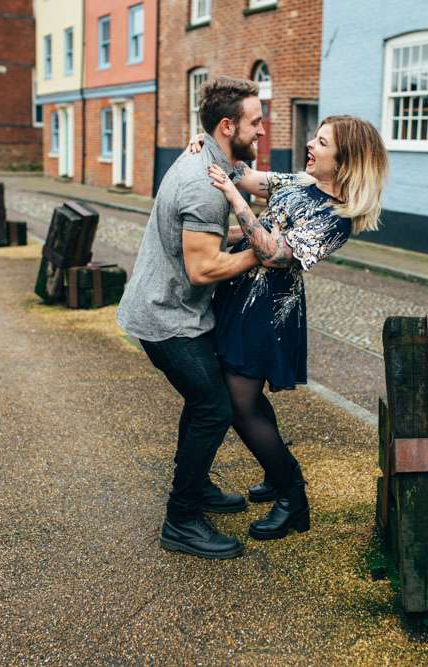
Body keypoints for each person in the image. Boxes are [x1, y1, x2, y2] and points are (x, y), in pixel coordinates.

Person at [196, 115, 388, 540]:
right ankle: (278, 471)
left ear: (346, 161)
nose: (311, 145)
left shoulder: (336, 218)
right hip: (237, 299)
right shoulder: (299, 182)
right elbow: (246, 176)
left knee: (240, 406)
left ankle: (292, 496)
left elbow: (275, 256)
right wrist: (208, 142)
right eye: (315, 138)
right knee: (247, 399)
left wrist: (233, 197)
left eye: (322, 142)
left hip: (266, 314)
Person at [116, 77, 267, 560]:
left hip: (175, 310)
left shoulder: (214, 161)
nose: (263, 129)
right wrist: (265, 252)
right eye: (255, 121)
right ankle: (181, 520)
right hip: (167, 318)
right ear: (228, 126)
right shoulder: (203, 185)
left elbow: (251, 194)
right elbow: (204, 269)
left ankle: (196, 488)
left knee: (203, 401)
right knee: (214, 408)